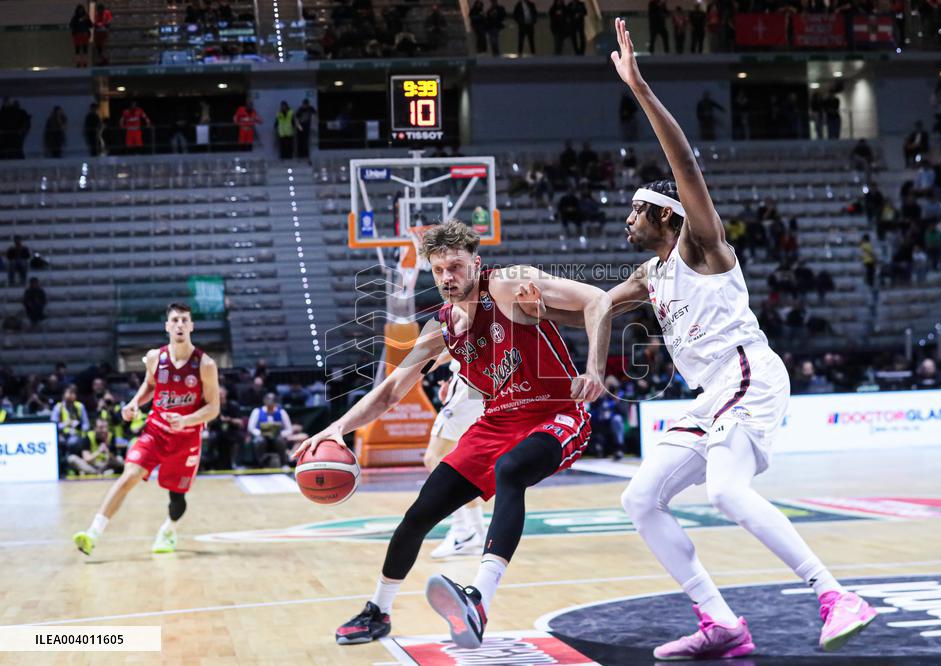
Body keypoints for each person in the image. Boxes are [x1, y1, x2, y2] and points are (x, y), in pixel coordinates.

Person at [526, 20, 877, 659]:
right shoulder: (649, 273)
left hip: (746, 374)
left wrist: (639, 88)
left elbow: (684, 162)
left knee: (725, 491)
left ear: (666, 214)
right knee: (640, 498)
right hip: (711, 393)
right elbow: (597, 306)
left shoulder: (700, 244)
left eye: (636, 210)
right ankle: (721, 622)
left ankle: (835, 594)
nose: (626, 219)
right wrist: (534, 313)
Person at [294, 219, 610, 649]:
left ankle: (479, 598)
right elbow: (389, 392)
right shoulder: (441, 329)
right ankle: (378, 611)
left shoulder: (507, 284)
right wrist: (337, 428)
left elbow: (597, 300)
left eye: (456, 267)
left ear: (475, 264)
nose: (447, 277)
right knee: (419, 514)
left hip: (555, 413)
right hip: (496, 423)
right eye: (439, 269)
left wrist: (594, 370)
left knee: (511, 470)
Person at [72, 302, 220, 556]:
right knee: (130, 474)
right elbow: (150, 386)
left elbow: (213, 408)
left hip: (186, 438)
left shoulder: (205, 364)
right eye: (175, 320)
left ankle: (169, 529)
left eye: (184, 320)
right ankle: (93, 533)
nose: (180, 324)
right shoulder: (155, 358)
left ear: (192, 326)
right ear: (167, 326)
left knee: (176, 499)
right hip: (156, 431)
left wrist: (186, 420)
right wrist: (133, 402)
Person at [425, 358, 487, 558]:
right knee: (459, 467)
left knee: (435, 459)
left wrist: (428, 364)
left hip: (469, 384)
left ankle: (463, 532)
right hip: (474, 382)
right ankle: (476, 532)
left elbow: (447, 348)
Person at [248, 392, 293, 468]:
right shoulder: (257, 411)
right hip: (261, 436)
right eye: (268, 400)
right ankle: (260, 464)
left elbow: (289, 429)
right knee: (259, 441)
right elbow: (251, 428)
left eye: (272, 401)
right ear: (264, 401)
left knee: (280, 440)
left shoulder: (281, 412)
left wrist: (280, 433)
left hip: (277, 437)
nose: (270, 403)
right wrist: (260, 433)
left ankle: (284, 464)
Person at [52, 384, 89, 468]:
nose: (71, 395)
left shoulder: (80, 406)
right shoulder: (58, 407)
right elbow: (53, 427)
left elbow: (86, 425)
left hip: (77, 436)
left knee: (75, 442)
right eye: (69, 393)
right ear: (63, 395)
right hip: (62, 437)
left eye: (73, 393)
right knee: (62, 442)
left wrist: (78, 426)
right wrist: (65, 424)